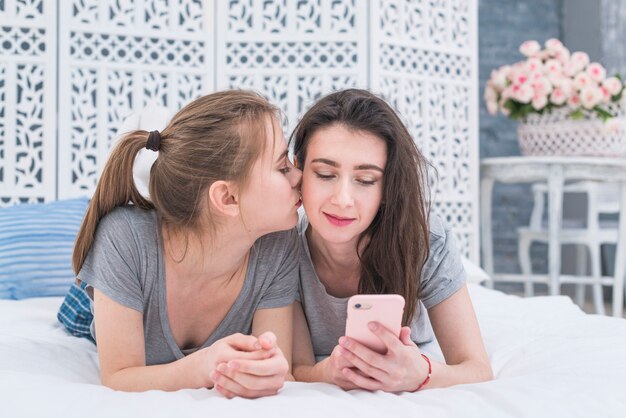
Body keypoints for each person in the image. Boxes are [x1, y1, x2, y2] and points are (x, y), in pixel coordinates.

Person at [57, 90, 303, 398]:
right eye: (283, 168)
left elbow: (276, 362)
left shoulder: (279, 244)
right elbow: (118, 376)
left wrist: (268, 371)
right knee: (78, 312)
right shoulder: (124, 239)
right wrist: (203, 366)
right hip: (94, 302)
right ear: (227, 197)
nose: (299, 176)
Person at [290, 89, 493, 391]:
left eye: (366, 180)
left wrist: (421, 373)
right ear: (298, 172)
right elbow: (298, 370)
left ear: (387, 188)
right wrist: (329, 372)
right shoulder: (282, 249)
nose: (342, 199)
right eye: (324, 174)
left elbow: (477, 369)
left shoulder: (425, 239)